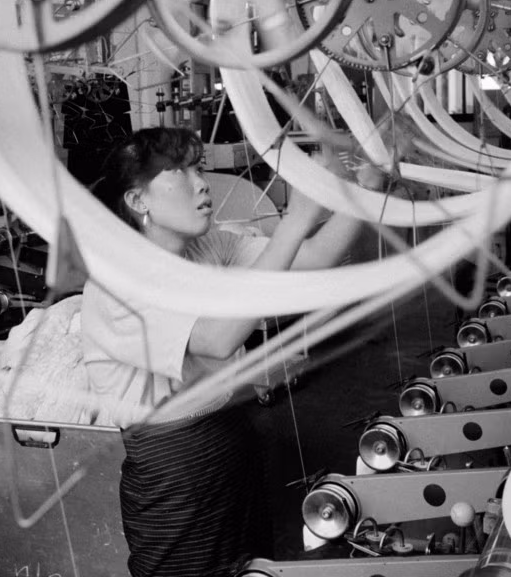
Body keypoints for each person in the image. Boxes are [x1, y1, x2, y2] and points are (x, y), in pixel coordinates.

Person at [82, 127, 360, 577]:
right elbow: (218, 339)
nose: (202, 183)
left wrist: (365, 185)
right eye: (179, 172)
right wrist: (294, 220)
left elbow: (315, 256)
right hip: (173, 470)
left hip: (230, 436)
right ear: (139, 202)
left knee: (251, 569)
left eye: (199, 168)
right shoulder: (118, 284)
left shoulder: (210, 246)